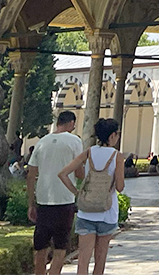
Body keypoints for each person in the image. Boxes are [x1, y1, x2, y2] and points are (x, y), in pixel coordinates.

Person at [58, 117, 125, 275]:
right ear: (112, 136)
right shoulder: (117, 156)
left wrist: (77, 192)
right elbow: (120, 187)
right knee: (100, 261)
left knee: (83, 261)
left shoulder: (89, 152)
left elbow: (63, 174)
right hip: (107, 213)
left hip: (86, 211)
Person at [25, 110, 84, 275]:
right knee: (60, 247)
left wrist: (31, 203)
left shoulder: (42, 142)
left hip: (44, 200)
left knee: (40, 246)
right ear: (71, 123)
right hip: (64, 200)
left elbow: (31, 175)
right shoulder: (74, 141)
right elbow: (79, 173)